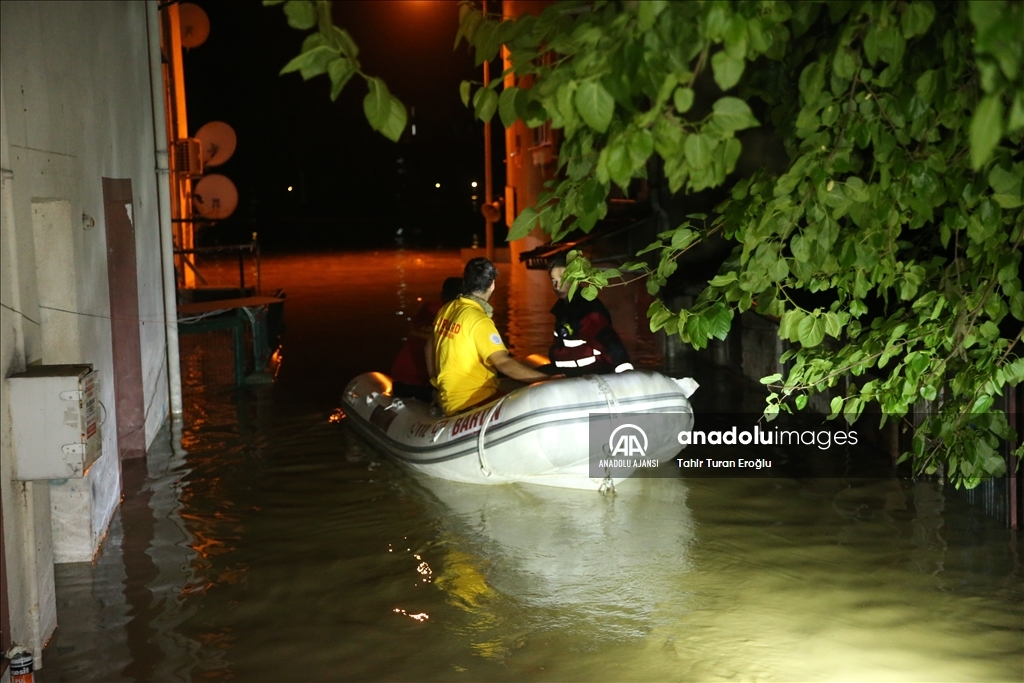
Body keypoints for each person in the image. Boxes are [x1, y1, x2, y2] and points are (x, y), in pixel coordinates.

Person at [428, 257, 559, 415]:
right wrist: (547, 380)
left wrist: (436, 385)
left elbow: (429, 348)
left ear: (466, 282)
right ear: (492, 284)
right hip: (474, 401)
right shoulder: (479, 321)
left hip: (449, 400)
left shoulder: (446, 309)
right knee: (533, 396)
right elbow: (503, 363)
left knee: (512, 384)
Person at [547, 254, 633, 376]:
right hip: (570, 374)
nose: (557, 286)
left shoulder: (587, 308)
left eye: (563, 279)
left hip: (593, 374)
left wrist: (626, 373)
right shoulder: (561, 310)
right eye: (554, 281)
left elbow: (609, 341)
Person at [390, 277, 462, 402]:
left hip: (399, 378)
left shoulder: (427, 308)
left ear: (442, 294)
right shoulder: (454, 316)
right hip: (423, 383)